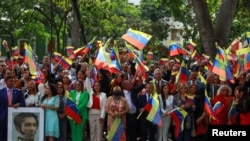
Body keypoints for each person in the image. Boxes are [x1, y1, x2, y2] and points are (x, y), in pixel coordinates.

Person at [0, 75, 26, 141]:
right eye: (10, 81)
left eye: (13, 81)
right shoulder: (1, 92)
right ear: (6, 82)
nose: (12, 82)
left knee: (14, 134)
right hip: (3, 117)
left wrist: (19, 104)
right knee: (2, 134)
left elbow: (23, 103)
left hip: (15, 117)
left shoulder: (18, 92)